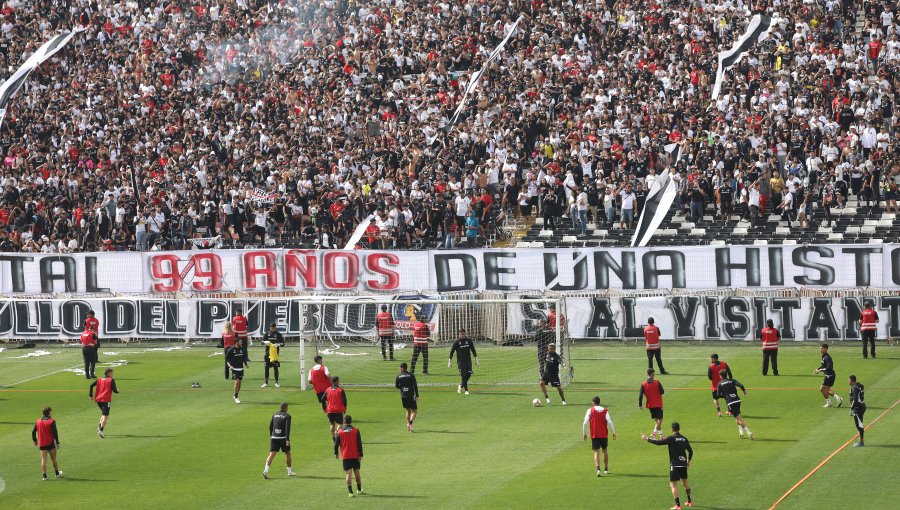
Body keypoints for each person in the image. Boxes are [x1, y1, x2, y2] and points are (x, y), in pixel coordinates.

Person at [642, 422, 694, 510]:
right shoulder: (684, 439)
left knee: (673, 485)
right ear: (679, 428)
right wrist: (688, 461)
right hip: (683, 465)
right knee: (685, 484)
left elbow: (658, 442)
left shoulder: (671, 438)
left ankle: (678, 505)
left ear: (672, 429)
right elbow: (691, 451)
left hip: (675, 465)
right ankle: (690, 501)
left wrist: (647, 438)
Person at [582, 396, 616, 477]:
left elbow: (585, 422)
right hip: (604, 434)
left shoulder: (590, 410)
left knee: (596, 452)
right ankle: (606, 469)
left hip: (595, 434)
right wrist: (613, 432)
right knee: (605, 451)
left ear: (593, 403)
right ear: (599, 402)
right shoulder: (605, 410)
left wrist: (584, 433)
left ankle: (598, 469)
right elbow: (610, 422)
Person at [715, 370, 752, 440]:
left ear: (721, 376)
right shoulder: (732, 380)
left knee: (739, 418)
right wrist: (744, 391)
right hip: (738, 400)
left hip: (731, 402)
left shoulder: (720, 383)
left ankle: (749, 432)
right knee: (737, 416)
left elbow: (718, 395)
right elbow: (741, 386)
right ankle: (741, 432)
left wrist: (725, 396)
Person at [263, 402, 296, 479]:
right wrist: (287, 440)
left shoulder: (274, 414)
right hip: (283, 438)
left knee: (271, 454)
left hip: (274, 438)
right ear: (286, 408)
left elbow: (270, 426)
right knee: (288, 453)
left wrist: (272, 435)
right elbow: (287, 429)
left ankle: (266, 471)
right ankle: (289, 472)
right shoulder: (287, 416)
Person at [334, 415, 364, 498]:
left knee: (348, 474)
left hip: (346, 456)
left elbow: (336, 444)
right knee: (357, 473)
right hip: (355, 455)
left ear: (344, 421)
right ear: (351, 421)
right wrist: (360, 454)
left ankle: (350, 492)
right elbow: (359, 443)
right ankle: (359, 489)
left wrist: (336, 453)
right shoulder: (356, 430)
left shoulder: (340, 432)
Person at [32, 406, 63, 481]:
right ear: (49, 412)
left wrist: (35, 441)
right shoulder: (51, 421)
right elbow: (55, 432)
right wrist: (57, 442)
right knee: (54, 459)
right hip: (50, 444)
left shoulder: (38, 421)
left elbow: (33, 432)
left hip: (42, 444)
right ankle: (56, 473)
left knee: (43, 460)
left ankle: (44, 476)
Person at [89, 368, 120, 438]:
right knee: (105, 416)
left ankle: (99, 427)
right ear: (108, 373)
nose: (112, 374)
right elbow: (115, 390)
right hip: (106, 400)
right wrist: (118, 391)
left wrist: (90, 395)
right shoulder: (111, 380)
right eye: (112, 373)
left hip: (98, 400)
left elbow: (91, 385)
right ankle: (101, 430)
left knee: (103, 414)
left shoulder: (99, 379)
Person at [449, 328, 478, 395]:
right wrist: (450, 361)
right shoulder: (456, 342)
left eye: (462, 334)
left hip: (468, 361)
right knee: (463, 375)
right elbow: (452, 351)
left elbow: (473, 349)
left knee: (469, 374)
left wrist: (476, 358)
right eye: (460, 334)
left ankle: (461, 385)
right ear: (458, 334)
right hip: (460, 362)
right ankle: (466, 390)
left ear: (465, 334)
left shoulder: (469, 341)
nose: (461, 335)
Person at [639, 368, 665, 439]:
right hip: (658, 404)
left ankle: (661, 435)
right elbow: (662, 392)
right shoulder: (657, 382)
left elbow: (640, 394)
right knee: (660, 420)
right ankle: (653, 434)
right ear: (652, 374)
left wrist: (640, 404)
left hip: (650, 404)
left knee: (657, 420)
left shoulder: (643, 383)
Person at [815, 344, 843, 408]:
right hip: (829, 375)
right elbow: (824, 366)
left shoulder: (827, 357)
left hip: (829, 376)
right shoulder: (824, 356)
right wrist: (818, 369)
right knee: (826, 390)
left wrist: (820, 370)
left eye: (822, 348)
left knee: (822, 389)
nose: (820, 349)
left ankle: (831, 401)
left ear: (826, 349)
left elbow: (829, 367)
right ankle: (836, 399)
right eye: (820, 348)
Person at [395, 363, 419, 432]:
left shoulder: (398, 376)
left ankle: (408, 424)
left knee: (408, 410)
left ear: (402, 368)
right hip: (411, 395)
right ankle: (410, 423)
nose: (399, 369)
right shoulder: (411, 375)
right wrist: (417, 395)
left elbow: (396, 386)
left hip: (403, 396)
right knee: (414, 411)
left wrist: (402, 388)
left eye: (400, 368)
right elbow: (415, 386)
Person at [260, 323, 284, 388]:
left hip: (275, 355)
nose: (272, 329)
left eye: (273, 328)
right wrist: (265, 342)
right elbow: (261, 342)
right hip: (267, 355)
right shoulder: (266, 334)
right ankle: (266, 383)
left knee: (276, 368)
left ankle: (276, 382)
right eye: (271, 327)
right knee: (266, 368)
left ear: (275, 327)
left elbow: (283, 343)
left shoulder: (278, 334)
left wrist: (278, 344)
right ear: (269, 327)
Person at [225, 339, 248, 404]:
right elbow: (227, 359)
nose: (241, 343)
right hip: (234, 369)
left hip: (241, 369)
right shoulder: (231, 350)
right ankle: (236, 397)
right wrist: (230, 366)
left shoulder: (243, 350)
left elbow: (244, 358)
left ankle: (236, 394)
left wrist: (246, 364)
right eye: (240, 342)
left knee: (239, 383)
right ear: (236, 342)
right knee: (237, 382)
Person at [848, 375, 866, 447]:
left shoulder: (854, 388)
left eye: (848, 380)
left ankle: (861, 442)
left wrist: (851, 409)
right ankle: (861, 440)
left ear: (852, 381)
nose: (848, 382)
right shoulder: (860, 385)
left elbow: (855, 399)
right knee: (859, 423)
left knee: (859, 425)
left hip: (857, 408)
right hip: (862, 406)